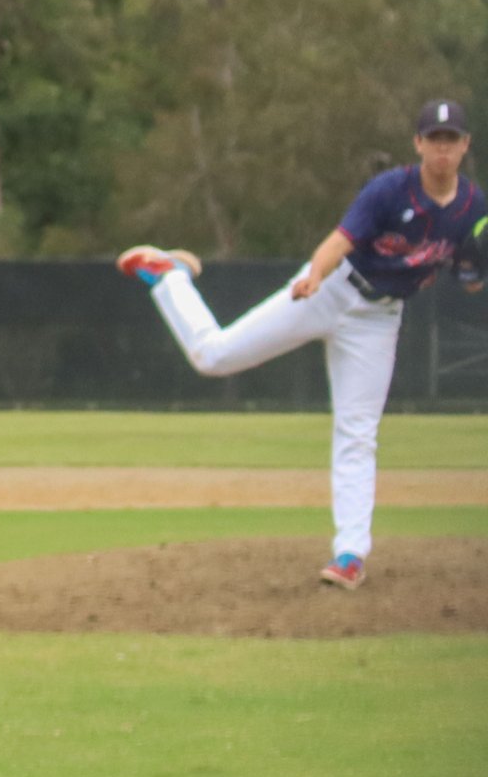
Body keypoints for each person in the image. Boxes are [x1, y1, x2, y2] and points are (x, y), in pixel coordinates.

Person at [120, 97, 482, 589]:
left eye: (451, 140)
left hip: (378, 320)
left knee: (358, 433)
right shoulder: (389, 190)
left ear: (465, 145)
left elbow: (469, 278)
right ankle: (169, 276)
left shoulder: (473, 209)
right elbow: (339, 241)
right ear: (418, 143)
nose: (442, 148)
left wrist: (474, 272)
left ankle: (350, 555)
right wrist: (313, 275)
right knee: (213, 356)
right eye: (434, 139)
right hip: (329, 288)